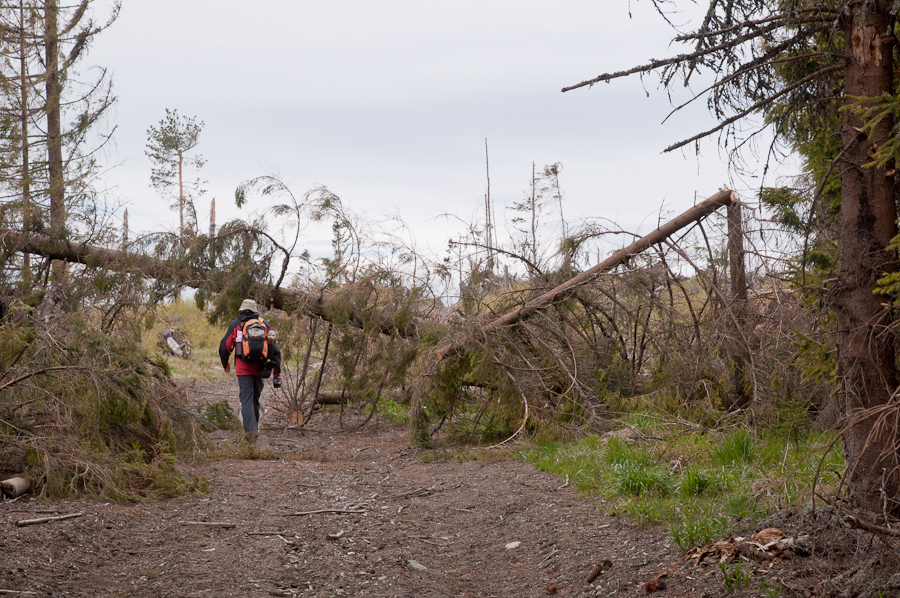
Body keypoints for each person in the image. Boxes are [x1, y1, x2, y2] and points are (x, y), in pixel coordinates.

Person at [219, 299, 282, 443]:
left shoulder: (236, 324)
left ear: (241, 310)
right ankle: (254, 430)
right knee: (254, 399)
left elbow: (225, 346)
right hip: (261, 367)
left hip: (243, 368)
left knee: (246, 399)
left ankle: (251, 435)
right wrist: (275, 369)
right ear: (255, 311)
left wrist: (225, 364)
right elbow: (275, 349)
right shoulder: (264, 324)